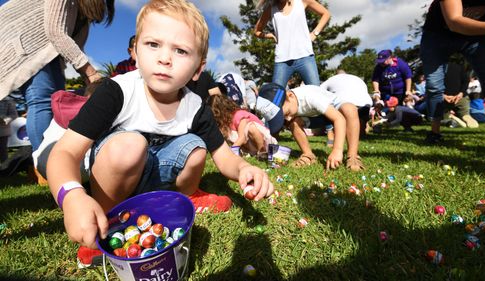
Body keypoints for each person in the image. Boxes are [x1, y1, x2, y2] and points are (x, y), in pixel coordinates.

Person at [45, 0, 274, 268]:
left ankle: (186, 197)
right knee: (129, 146)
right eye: (153, 44)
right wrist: (72, 195)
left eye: (180, 50)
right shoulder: (116, 92)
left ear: (198, 69)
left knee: (197, 147)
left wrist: (245, 169)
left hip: (158, 171)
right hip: (117, 172)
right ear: (136, 52)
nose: (164, 58)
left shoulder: (195, 106)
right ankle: (107, 221)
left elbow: (224, 158)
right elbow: (65, 152)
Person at [0, 0, 115, 151]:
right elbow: (55, 32)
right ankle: (44, 163)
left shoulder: (82, 20)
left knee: (58, 103)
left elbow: (75, 50)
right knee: (42, 101)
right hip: (27, 47)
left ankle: (54, 159)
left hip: (51, 55)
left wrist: (90, 80)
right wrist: (91, 73)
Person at [420, 0, 485, 144]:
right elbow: (454, 22)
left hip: (477, 35)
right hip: (437, 35)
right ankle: (434, 132)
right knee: (434, 85)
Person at [259, 83, 364, 171]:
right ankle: (308, 155)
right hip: (315, 117)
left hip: (335, 110)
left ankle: (353, 156)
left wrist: (337, 150)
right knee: (293, 121)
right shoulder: (290, 106)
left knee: (350, 109)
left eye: (287, 113)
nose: (288, 118)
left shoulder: (310, 96)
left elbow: (339, 119)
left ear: (290, 95)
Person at [254, 0, 330, 87]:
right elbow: (256, 31)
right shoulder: (271, 9)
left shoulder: (302, 1)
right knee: (276, 97)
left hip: (305, 56)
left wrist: (314, 33)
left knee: (315, 93)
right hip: (282, 61)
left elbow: (326, 14)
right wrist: (269, 35)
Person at [209, 94, 277, 159]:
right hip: (249, 146)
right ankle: (251, 152)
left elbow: (242, 138)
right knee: (225, 132)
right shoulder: (225, 122)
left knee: (251, 127)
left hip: (266, 143)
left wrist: (229, 152)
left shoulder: (239, 115)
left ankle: (263, 152)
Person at [320, 71, 373, 140]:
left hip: (345, 103)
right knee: (361, 118)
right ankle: (361, 130)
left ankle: (330, 133)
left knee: (326, 108)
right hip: (365, 103)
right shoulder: (357, 78)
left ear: (336, 75)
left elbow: (319, 91)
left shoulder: (332, 79)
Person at [443, 62, 479, 128]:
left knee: (442, 118)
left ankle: (451, 117)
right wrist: (461, 93)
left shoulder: (436, 69)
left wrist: (443, 96)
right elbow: (466, 81)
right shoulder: (458, 66)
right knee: (465, 115)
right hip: (461, 97)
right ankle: (465, 117)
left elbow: (432, 86)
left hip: (444, 99)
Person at [0, 98, 18, 162]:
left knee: (2, 151)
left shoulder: (7, 100)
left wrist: (5, 120)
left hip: (2, 130)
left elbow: (14, 114)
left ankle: (5, 169)